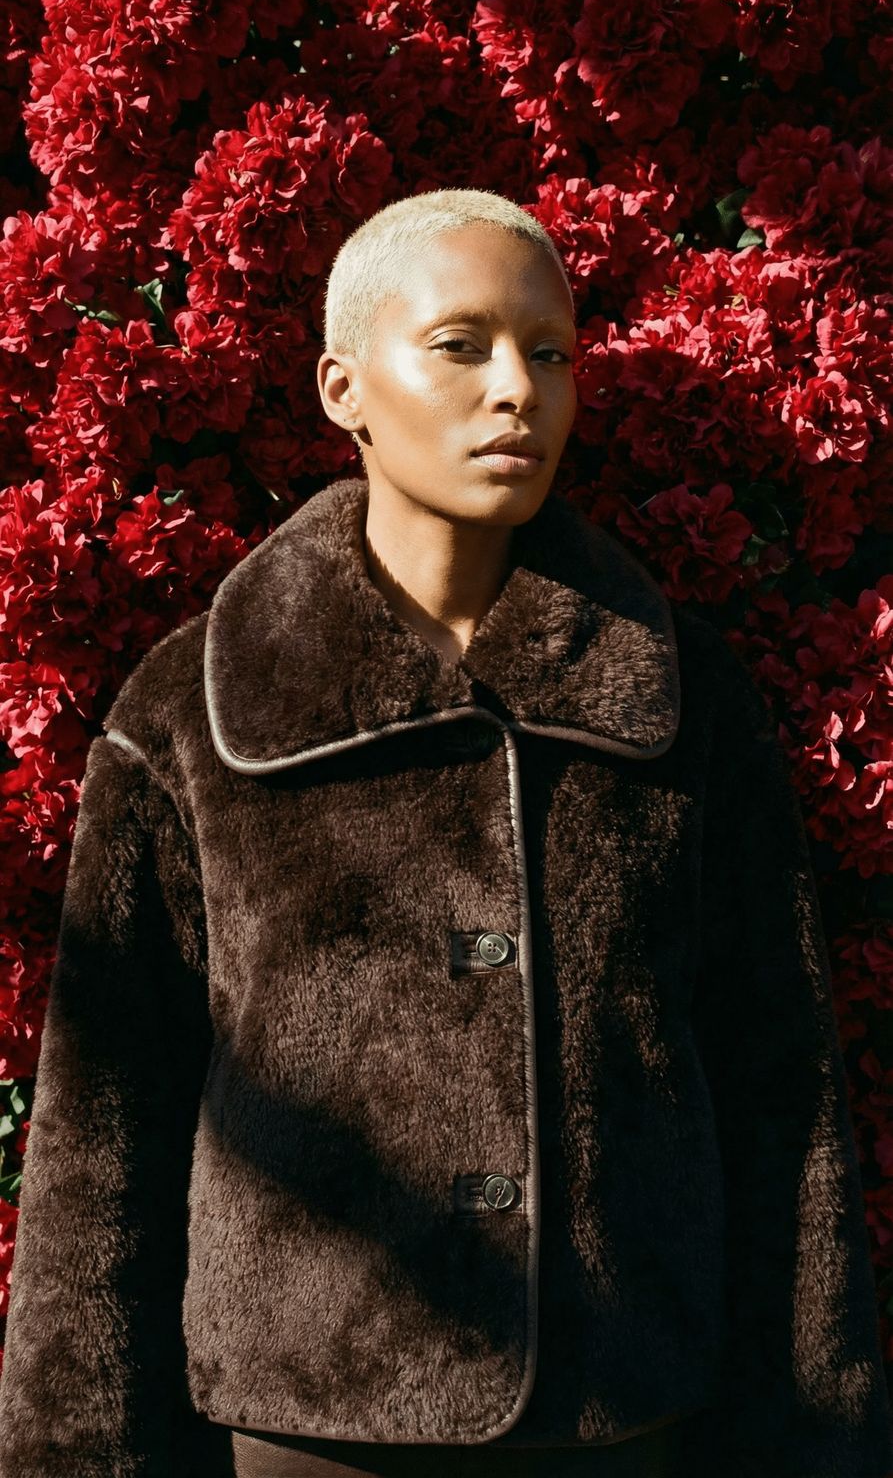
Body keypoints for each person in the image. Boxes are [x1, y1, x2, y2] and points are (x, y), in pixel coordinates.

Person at [0, 187, 891, 1478]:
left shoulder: (679, 705)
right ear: (342, 387)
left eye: (549, 352)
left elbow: (779, 1097)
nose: (517, 390)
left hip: (624, 1419)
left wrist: (812, 1436)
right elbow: (102, 1131)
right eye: (461, 345)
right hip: (308, 1436)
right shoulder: (198, 712)